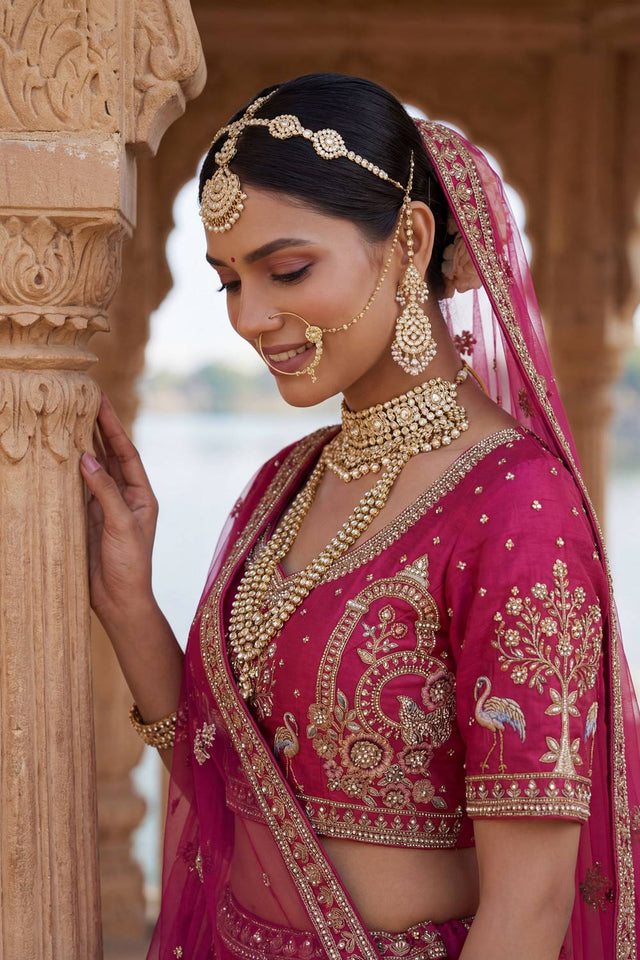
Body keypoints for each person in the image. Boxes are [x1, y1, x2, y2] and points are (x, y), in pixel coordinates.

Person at [79, 74, 640, 960]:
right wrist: (127, 603)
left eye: (288, 269)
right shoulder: (285, 484)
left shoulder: (518, 507)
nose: (250, 318)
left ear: (409, 240)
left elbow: (530, 910)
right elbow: (221, 773)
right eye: (228, 281)